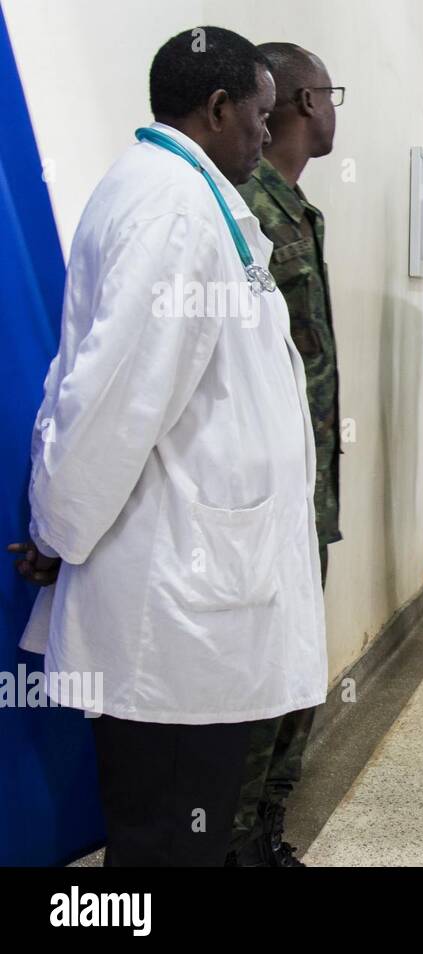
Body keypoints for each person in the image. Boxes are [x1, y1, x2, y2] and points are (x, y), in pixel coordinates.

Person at [10, 26, 326, 866]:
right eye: (259, 115)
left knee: (183, 826)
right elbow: (112, 398)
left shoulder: (192, 200)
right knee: (166, 839)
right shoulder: (173, 210)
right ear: (219, 108)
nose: (268, 134)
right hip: (176, 601)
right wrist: (57, 530)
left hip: (197, 584)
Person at [227, 41, 343, 868]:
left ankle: (267, 829)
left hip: (311, 486)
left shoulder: (296, 209)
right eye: (331, 95)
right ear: (306, 101)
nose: (335, 110)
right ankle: (234, 842)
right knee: (259, 672)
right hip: (262, 490)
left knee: (298, 665)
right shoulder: (245, 209)